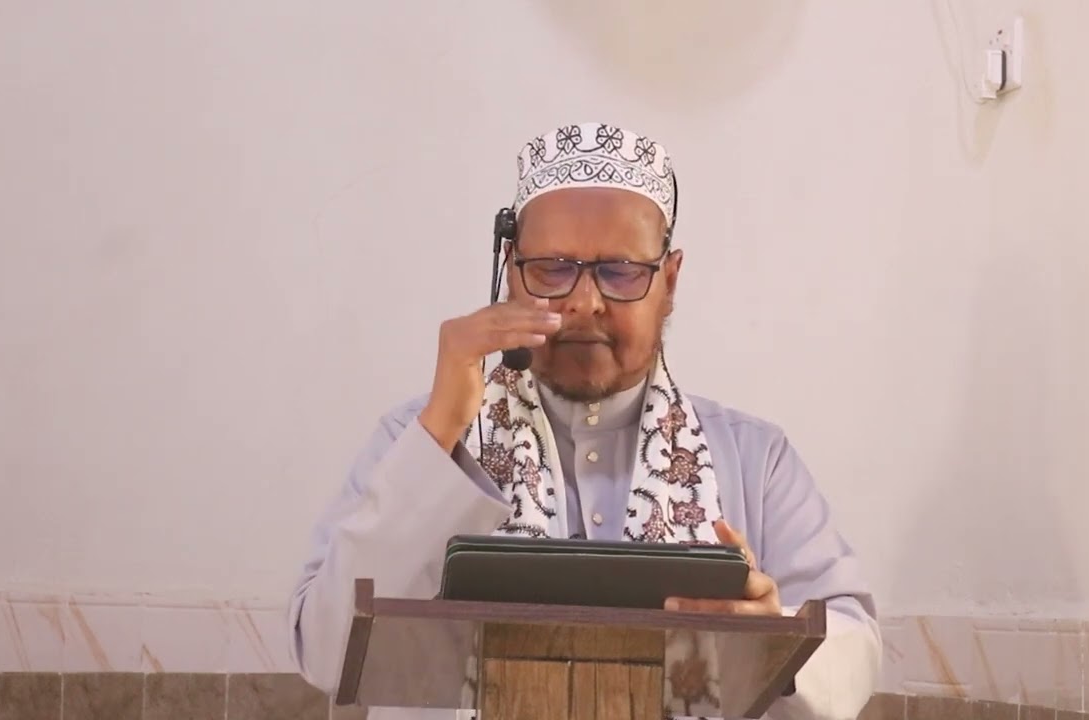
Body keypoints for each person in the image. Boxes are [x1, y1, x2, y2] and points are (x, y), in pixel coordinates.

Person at [286, 122, 881, 719]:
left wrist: (771, 638)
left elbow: (854, 653)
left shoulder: (753, 460)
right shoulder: (421, 441)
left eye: (621, 271)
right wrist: (439, 432)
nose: (584, 302)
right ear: (510, 270)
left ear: (670, 280)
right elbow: (327, 651)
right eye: (552, 268)